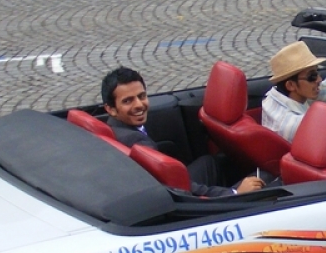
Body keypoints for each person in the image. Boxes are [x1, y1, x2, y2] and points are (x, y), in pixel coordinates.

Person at [100, 68, 262, 196]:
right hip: (176, 192)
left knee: (209, 163)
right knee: (264, 179)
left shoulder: (116, 127)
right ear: (111, 109)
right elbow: (180, 189)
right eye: (128, 101)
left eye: (141, 96)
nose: (139, 105)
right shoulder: (136, 141)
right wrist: (234, 193)